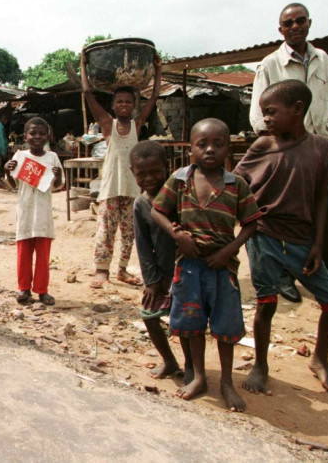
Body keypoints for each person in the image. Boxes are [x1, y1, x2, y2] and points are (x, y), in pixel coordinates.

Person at [236, 79, 328, 394]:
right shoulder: (262, 146)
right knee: (266, 302)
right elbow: (237, 183)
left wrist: (318, 245)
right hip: (265, 236)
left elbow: (322, 199)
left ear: (297, 109)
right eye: (263, 114)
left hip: (302, 239)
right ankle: (261, 364)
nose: (265, 119)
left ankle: (319, 359)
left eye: (271, 113)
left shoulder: (321, 148)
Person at [151, 118, 262, 412]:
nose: (210, 150)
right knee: (192, 323)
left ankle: (227, 381)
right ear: (191, 149)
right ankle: (199, 376)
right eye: (202, 144)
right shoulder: (180, 179)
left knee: (225, 325)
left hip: (222, 268)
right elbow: (157, 210)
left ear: (228, 149)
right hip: (188, 266)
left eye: (218, 144)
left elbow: (251, 223)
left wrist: (228, 251)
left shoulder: (236, 184)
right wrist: (177, 235)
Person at [249, 2, 328, 301]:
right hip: (287, 154)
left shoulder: (322, 59)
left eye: (300, 21)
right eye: (289, 23)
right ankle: (286, 277)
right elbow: (258, 114)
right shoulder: (271, 64)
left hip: (320, 150)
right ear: (280, 29)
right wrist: (276, 144)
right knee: (287, 212)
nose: (295, 27)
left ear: (309, 23)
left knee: (327, 212)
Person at [81, 49, 162, 289]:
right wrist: (83, 64)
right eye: (119, 102)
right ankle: (101, 271)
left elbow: (154, 97)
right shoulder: (108, 125)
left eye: (128, 101)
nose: (124, 105)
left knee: (130, 235)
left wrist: (158, 71)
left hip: (133, 190)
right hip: (110, 189)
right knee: (106, 231)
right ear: (113, 106)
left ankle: (122, 270)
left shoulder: (137, 124)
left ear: (134, 105)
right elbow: (87, 92)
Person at [130, 141, 192, 381]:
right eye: (141, 174)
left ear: (167, 168)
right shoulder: (141, 204)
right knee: (149, 316)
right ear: (132, 173)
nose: (149, 178)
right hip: (162, 273)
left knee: (185, 321)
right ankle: (169, 360)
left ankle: (192, 367)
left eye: (155, 171)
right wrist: (152, 280)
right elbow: (143, 246)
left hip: (187, 269)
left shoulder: (181, 195)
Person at [4, 117, 64, 306]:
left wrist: (59, 175)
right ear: (25, 136)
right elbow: (13, 184)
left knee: (43, 255)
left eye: (42, 133)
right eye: (33, 133)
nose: (37, 137)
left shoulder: (52, 157)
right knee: (24, 253)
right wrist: (7, 171)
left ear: (48, 136)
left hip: (43, 214)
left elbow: (59, 185)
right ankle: (24, 289)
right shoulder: (20, 156)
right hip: (25, 212)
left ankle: (42, 290)